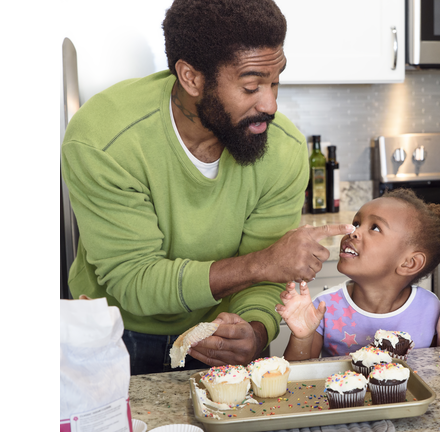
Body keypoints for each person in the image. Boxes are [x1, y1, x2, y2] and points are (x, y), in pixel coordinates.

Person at [60, 0, 352, 374]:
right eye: (251, 87)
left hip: (217, 333)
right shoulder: (105, 138)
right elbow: (136, 279)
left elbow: (266, 279)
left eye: (275, 81)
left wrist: (256, 331)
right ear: (191, 78)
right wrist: (263, 262)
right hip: (116, 334)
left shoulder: (283, 150)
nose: (271, 104)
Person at [275, 188, 440, 360]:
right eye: (357, 223)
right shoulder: (324, 308)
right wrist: (301, 337)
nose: (353, 231)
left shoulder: (429, 308)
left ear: (409, 263)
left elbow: (438, 376)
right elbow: (298, 379)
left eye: (374, 227)